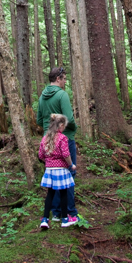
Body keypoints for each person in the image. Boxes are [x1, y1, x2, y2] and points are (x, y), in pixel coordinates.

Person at [37, 66, 78, 221]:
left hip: (48, 141)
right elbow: (69, 118)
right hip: (64, 139)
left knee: (53, 176)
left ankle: (56, 213)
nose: (65, 81)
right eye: (64, 78)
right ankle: (69, 213)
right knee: (68, 174)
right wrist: (73, 128)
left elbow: (39, 120)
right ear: (58, 78)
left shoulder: (42, 97)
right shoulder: (62, 95)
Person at [38, 113, 77, 229]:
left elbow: (40, 155)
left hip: (50, 170)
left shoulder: (46, 138)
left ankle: (45, 219)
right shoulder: (62, 138)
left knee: (50, 194)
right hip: (61, 170)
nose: (64, 128)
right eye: (64, 125)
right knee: (64, 193)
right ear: (60, 125)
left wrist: (49, 161)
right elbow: (66, 154)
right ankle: (65, 219)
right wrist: (71, 165)